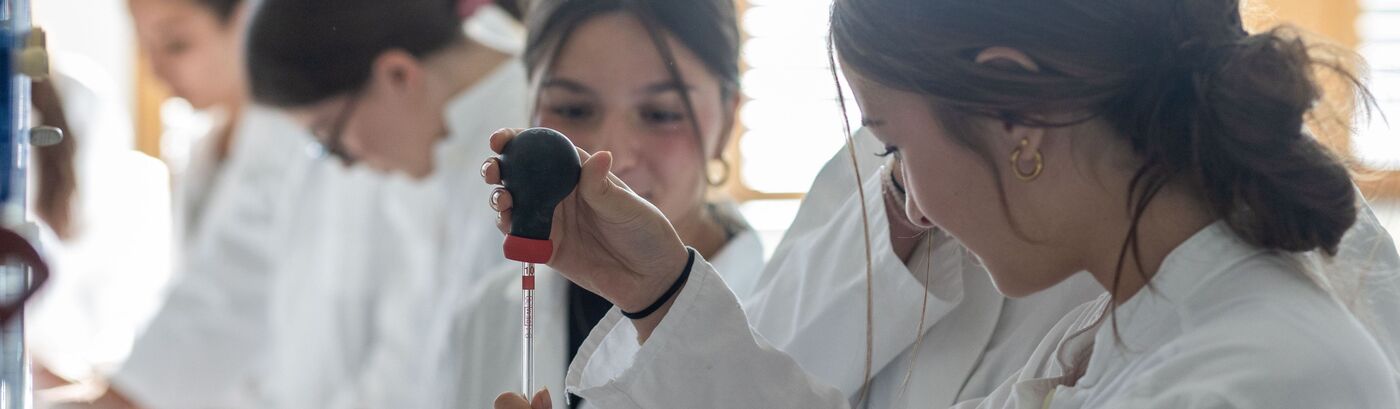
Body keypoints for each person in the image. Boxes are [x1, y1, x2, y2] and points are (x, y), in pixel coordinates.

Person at [485, 0, 1400, 407]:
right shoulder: (1109, 336)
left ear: (1013, 108)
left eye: (894, 147)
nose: (903, 199)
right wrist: (658, 292)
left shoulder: (1253, 377)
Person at [425, 1, 764, 406]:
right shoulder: (486, 317)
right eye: (572, 109)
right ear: (530, 104)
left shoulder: (781, 321)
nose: (612, 155)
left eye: (661, 114)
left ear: (727, 122)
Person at [242, 0, 528, 406]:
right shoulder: (433, 155)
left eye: (329, 138)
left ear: (398, 75)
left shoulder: (532, 143)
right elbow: (409, 360)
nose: (345, 165)